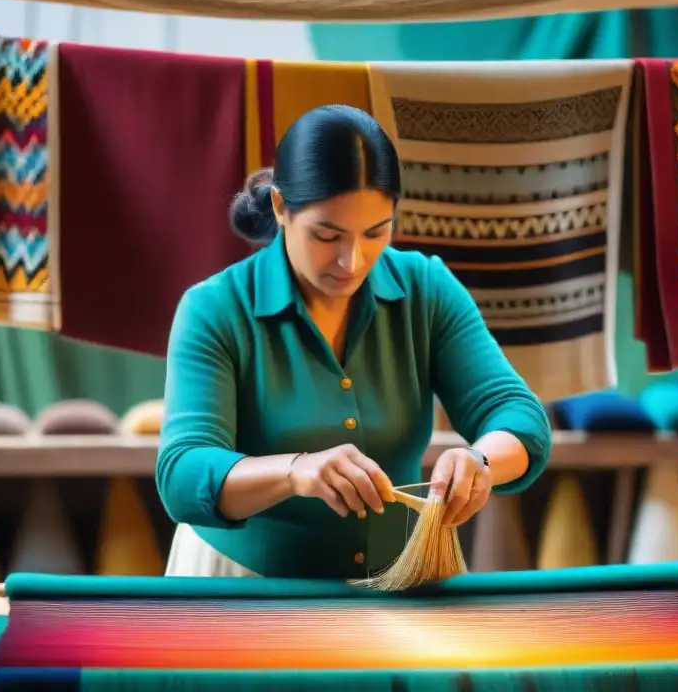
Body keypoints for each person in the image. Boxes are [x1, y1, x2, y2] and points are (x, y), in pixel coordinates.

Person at [157, 104, 551, 579]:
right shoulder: (216, 309)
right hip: (242, 586)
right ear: (281, 208)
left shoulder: (426, 289)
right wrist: (294, 471)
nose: (352, 260)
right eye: (327, 235)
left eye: (376, 232)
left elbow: (519, 415)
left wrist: (480, 460)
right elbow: (182, 474)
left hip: (399, 581)